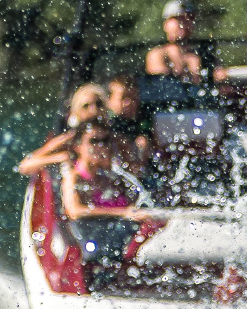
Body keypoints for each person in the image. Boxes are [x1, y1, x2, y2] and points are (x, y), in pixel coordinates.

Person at [58, 125, 156, 288]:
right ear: (78, 146)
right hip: (91, 240)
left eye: (105, 141)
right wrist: (123, 212)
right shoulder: (74, 177)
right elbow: (74, 211)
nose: (100, 146)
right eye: (94, 141)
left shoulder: (109, 179)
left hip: (115, 239)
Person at [18, 82, 106, 175]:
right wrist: (59, 157)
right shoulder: (67, 138)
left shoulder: (112, 137)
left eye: (98, 104)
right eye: (86, 106)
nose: (93, 110)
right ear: (75, 111)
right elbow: (24, 167)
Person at [143, 0, 227, 85]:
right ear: (166, 24)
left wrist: (221, 77)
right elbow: (162, 87)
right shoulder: (158, 55)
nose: (183, 23)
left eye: (188, 19)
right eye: (177, 19)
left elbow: (221, 81)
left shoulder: (204, 55)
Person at [103, 76, 154, 172]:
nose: (129, 103)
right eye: (124, 98)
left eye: (133, 98)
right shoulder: (104, 125)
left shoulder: (142, 124)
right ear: (108, 100)